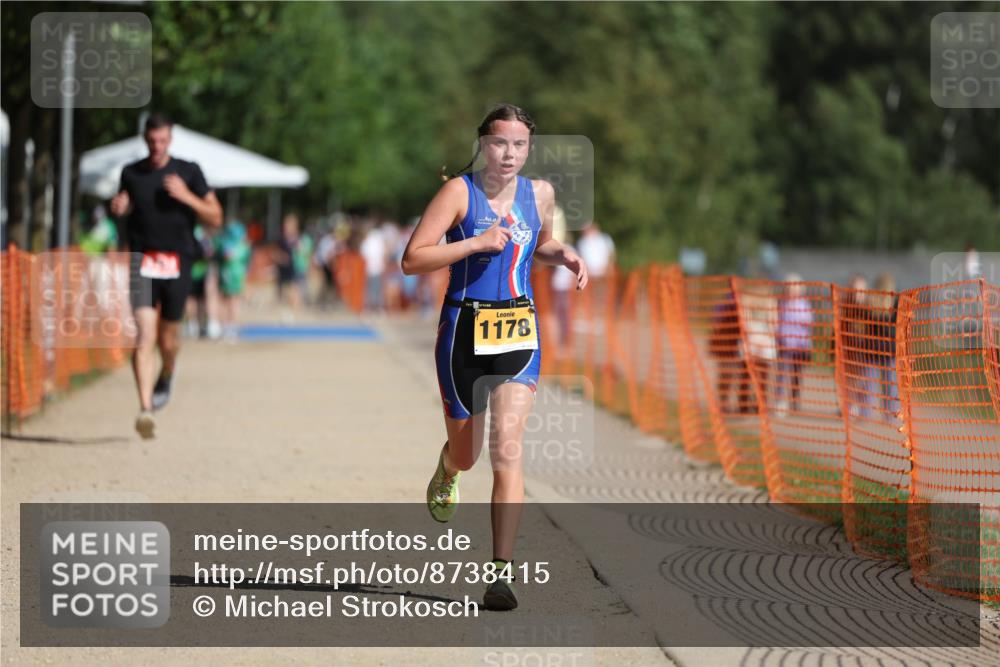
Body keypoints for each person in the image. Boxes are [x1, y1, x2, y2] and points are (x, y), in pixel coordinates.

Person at [401, 103, 588, 611]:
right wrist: (475, 243)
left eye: (520, 145)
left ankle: (500, 574)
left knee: (508, 449)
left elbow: (535, 246)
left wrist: (564, 254)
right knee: (469, 454)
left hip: (517, 332)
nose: (509, 154)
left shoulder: (540, 194)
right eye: (500, 143)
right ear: (483, 143)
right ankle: (447, 467)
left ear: (530, 148)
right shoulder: (458, 192)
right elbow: (412, 259)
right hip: (463, 329)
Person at [110, 113, 223, 438]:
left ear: (170, 139)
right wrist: (120, 207)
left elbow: (215, 216)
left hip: (178, 262)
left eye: (162, 141)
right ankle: (146, 409)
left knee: (168, 339)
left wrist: (186, 196)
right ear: (145, 140)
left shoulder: (189, 171)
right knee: (144, 336)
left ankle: (168, 372)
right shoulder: (131, 173)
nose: (157, 147)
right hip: (142, 261)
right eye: (151, 141)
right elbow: (127, 205)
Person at [774, 276, 813, 416]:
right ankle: (779, 401)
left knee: (796, 375)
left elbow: (808, 322)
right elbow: (775, 321)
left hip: (800, 346)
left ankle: (794, 400)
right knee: (781, 374)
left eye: (794, 287)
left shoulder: (804, 304)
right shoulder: (780, 302)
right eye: (789, 287)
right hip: (784, 344)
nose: (791, 290)